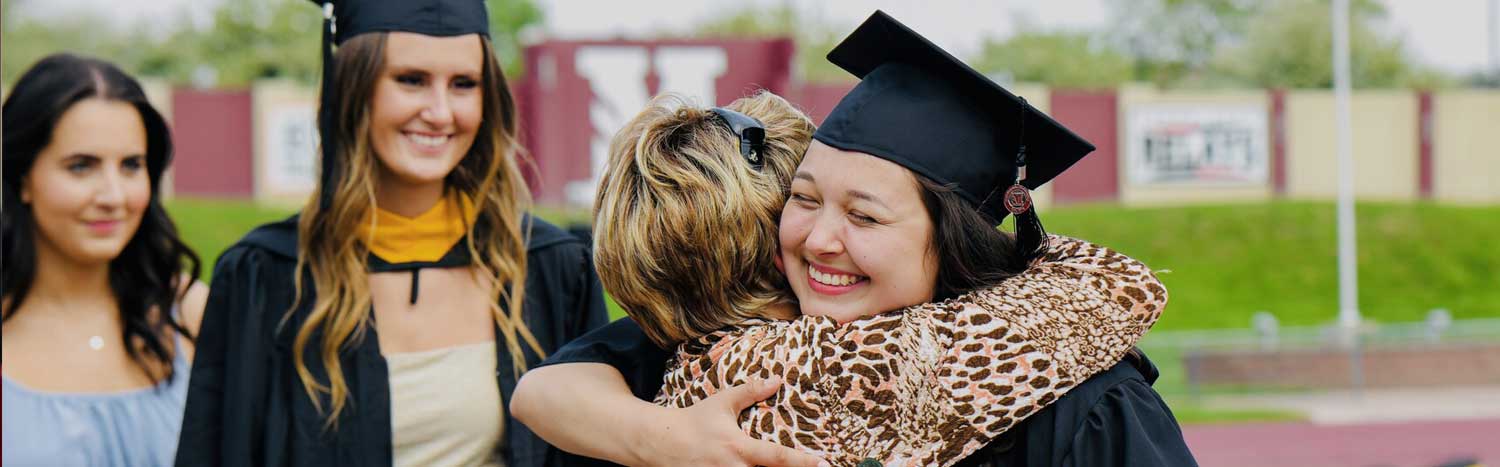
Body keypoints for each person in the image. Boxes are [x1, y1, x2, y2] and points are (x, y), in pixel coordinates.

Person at [513, 11, 1193, 467]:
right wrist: (663, 436)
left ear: (952, 241)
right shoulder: (726, 351)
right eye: (803, 200)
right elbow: (545, 389)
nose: (819, 240)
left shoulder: (1076, 403)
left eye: (865, 217)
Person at [173, 1, 608, 466]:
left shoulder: (550, 268)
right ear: (352, 89)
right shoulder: (265, 277)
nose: (440, 113)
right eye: (411, 80)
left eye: (464, 84)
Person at [2, 53, 208, 466]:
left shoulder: (190, 312)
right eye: (81, 167)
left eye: (132, 165)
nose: (113, 196)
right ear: (23, 178)